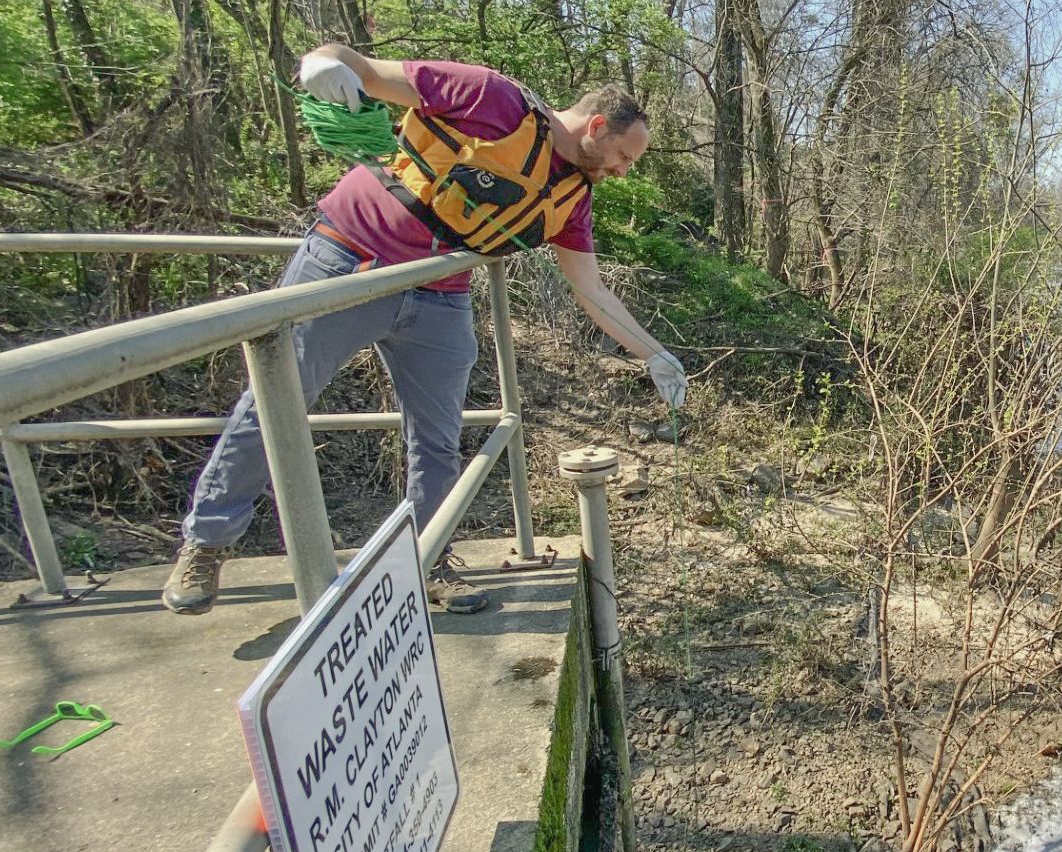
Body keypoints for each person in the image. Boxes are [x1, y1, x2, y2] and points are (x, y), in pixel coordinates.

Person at [162, 45, 687, 616]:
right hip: (349, 258)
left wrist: (655, 355)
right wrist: (324, 64)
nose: (621, 170)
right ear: (598, 125)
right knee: (279, 399)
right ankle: (207, 541)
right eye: (622, 156)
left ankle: (427, 559)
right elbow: (361, 67)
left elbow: (593, 292)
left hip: (440, 291)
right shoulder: (491, 97)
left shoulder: (573, 199)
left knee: (438, 438)